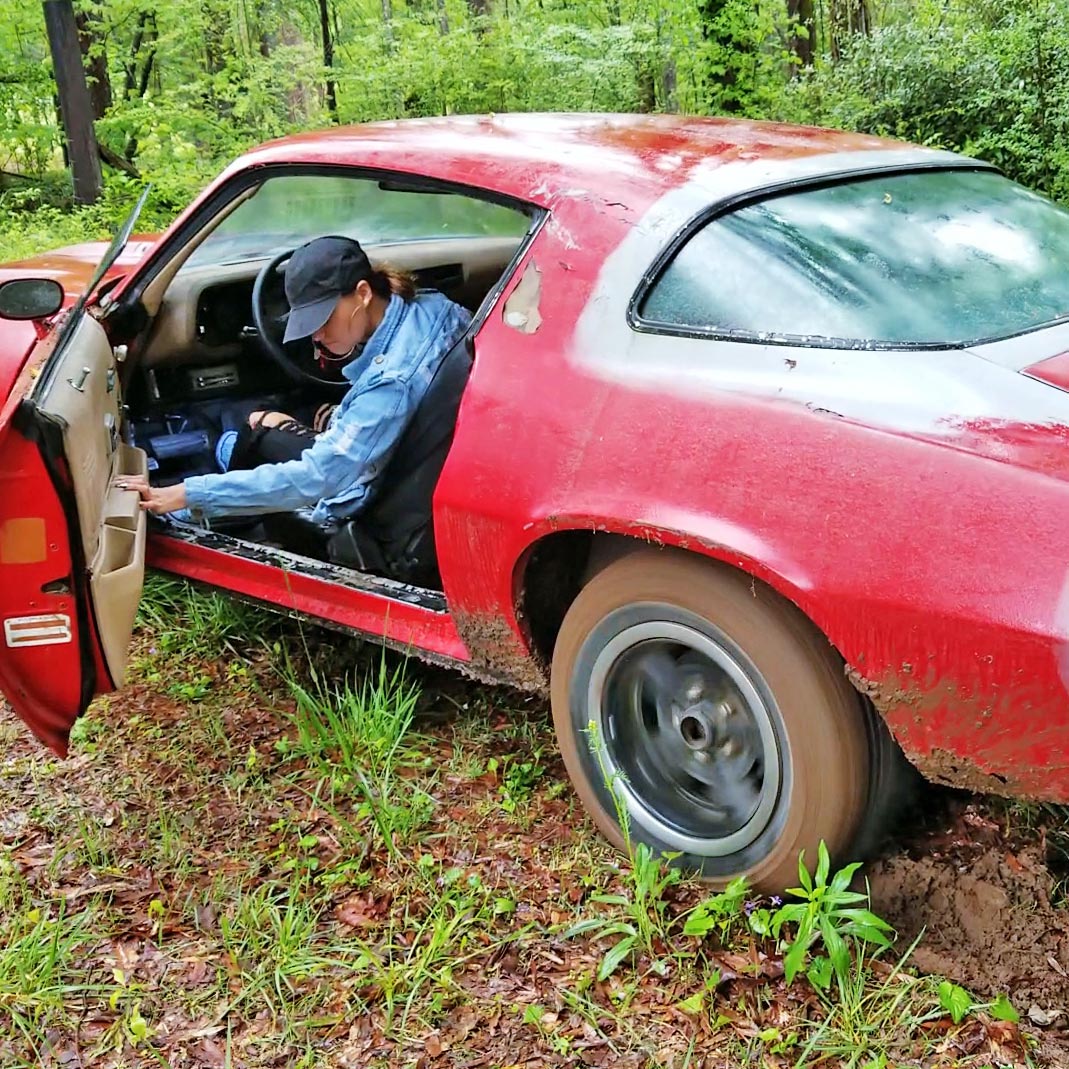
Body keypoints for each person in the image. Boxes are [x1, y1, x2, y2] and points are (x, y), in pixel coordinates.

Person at [118, 235, 471, 526]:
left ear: (363, 293)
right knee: (294, 413)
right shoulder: (435, 309)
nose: (316, 336)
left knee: (246, 434)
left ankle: (193, 513)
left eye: (324, 319)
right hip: (409, 464)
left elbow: (318, 478)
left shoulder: (389, 383)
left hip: (361, 505)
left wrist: (186, 493)